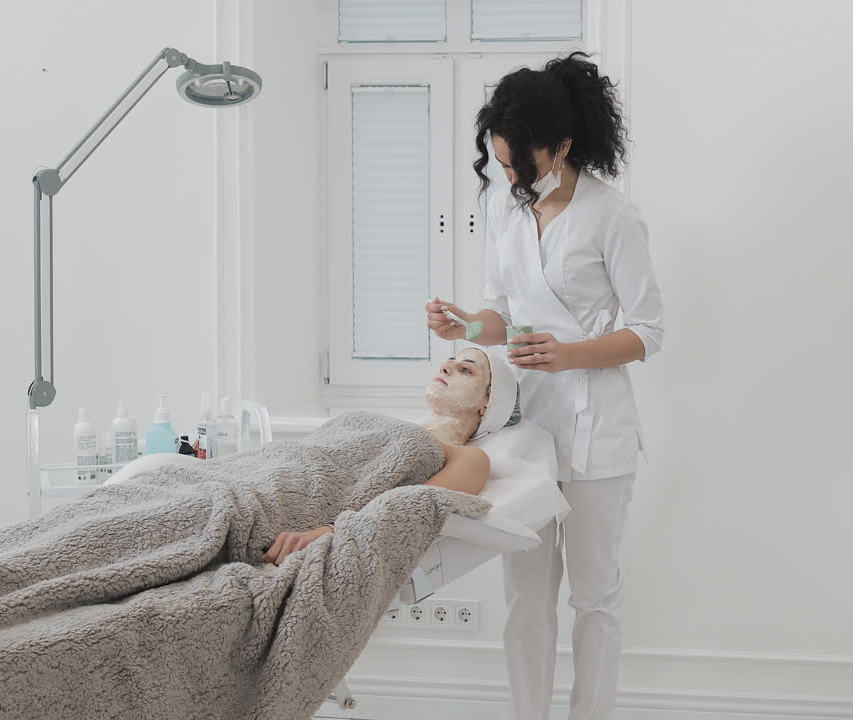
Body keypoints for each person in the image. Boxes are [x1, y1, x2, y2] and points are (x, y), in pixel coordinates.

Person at [424, 52, 664, 720]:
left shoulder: (613, 217)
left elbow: (649, 330)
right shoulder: (508, 209)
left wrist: (571, 353)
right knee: (526, 597)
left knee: (594, 597)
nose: (507, 176)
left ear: (560, 147)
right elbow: (500, 315)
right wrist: (465, 323)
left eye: (517, 163)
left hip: (596, 434)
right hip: (526, 432)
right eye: (499, 163)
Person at [262, 347, 513, 564]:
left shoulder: (470, 458)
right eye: (450, 361)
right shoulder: (388, 427)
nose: (446, 366)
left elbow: (405, 506)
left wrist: (327, 532)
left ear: (488, 402)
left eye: (466, 370)